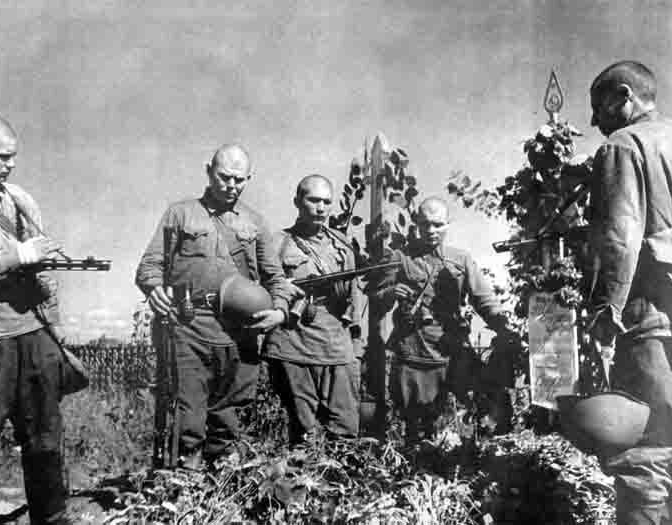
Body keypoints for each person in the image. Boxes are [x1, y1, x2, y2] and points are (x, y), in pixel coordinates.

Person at [136, 144, 294, 468]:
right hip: (190, 325)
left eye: (239, 180)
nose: (231, 186)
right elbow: (149, 267)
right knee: (188, 415)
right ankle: (183, 488)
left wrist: (279, 311)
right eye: (224, 177)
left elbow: (276, 278)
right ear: (209, 170)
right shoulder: (180, 214)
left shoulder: (255, 222)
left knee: (228, 415)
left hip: (240, 332)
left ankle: (220, 489)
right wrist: (154, 290)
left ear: (249, 178)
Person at [587, 61, 672, 525]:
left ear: (623, 97)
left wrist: (606, 311)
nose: (595, 120)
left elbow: (619, 237)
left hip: (649, 315)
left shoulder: (622, 145)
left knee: (645, 452)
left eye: (598, 106)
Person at [0, 115, 70, 524]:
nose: (10, 164)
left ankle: (53, 518)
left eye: (14, 157)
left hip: (33, 332)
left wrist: (55, 326)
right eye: (3, 156)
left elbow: (44, 272)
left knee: (45, 434)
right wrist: (15, 256)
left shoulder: (21, 200)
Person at [374, 197, 514, 445]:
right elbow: (376, 301)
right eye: (425, 224)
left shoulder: (460, 260)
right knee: (416, 433)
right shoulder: (400, 258)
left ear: (448, 224)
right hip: (414, 354)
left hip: (452, 352)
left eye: (437, 224)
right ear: (416, 223)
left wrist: (504, 328)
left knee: (483, 409)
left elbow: (484, 300)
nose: (431, 231)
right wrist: (390, 292)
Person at [264, 175, 361, 446]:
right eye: (313, 200)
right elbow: (260, 290)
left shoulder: (342, 246)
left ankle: (341, 485)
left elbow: (353, 302)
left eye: (326, 202)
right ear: (297, 202)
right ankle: (301, 486)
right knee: (303, 432)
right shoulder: (277, 243)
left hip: (335, 342)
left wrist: (356, 348)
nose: (320, 208)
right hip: (293, 342)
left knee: (345, 429)